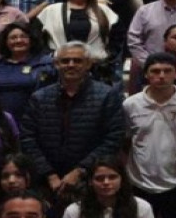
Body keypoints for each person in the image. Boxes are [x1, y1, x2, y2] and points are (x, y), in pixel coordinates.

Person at [20, 43, 126, 206]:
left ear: (88, 64)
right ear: (56, 64)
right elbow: (28, 138)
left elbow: (113, 138)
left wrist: (80, 171)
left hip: (91, 181)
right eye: (65, 61)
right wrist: (49, 174)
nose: (71, 65)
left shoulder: (107, 96)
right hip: (46, 183)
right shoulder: (39, 98)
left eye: (77, 61)